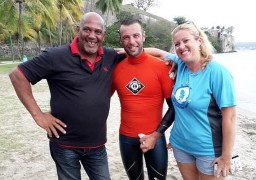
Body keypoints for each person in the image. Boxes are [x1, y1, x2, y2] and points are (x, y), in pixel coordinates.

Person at [9, 12, 127, 180]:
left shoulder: (110, 56)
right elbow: (17, 75)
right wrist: (38, 115)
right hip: (64, 145)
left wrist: (171, 57)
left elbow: (137, 52)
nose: (92, 36)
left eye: (97, 32)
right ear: (78, 30)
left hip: (97, 145)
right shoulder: (55, 56)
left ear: (103, 35)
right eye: (87, 30)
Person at [142, 22, 237, 180]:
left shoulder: (217, 73)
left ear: (199, 40)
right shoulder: (181, 64)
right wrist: (128, 50)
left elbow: (231, 116)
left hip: (208, 149)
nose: (181, 46)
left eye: (186, 41)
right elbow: (158, 53)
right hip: (180, 145)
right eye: (177, 44)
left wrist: (226, 156)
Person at [111, 19, 175, 180]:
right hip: (126, 138)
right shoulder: (116, 68)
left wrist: (156, 135)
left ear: (144, 37)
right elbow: (99, 98)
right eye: (126, 37)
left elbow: (174, 107)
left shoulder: (162, 67)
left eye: (136, 36)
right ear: (121, 40)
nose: (131, 41)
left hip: (155, 137)